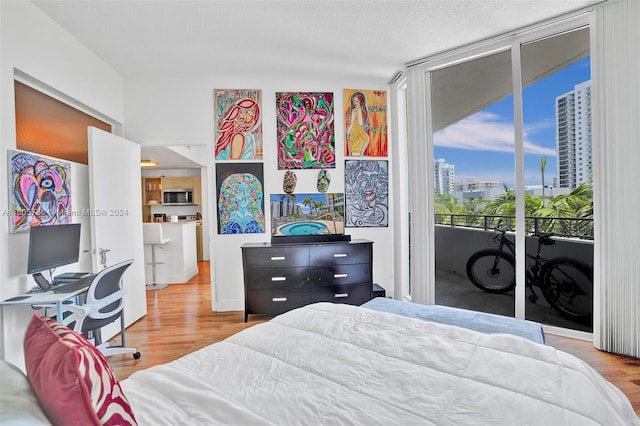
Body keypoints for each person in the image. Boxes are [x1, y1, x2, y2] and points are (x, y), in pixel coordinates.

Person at [346, 91, 369, 156]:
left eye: (357, 101)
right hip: (354, 133)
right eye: (354, 101)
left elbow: (361, 123)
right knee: (354, 151)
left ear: (361, 101)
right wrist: (348, 132)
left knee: (358, 151)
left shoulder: (362, 111)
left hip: (360, 133)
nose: (355, 103)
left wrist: (359, 111)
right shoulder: (354, 110)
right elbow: (352, 122)